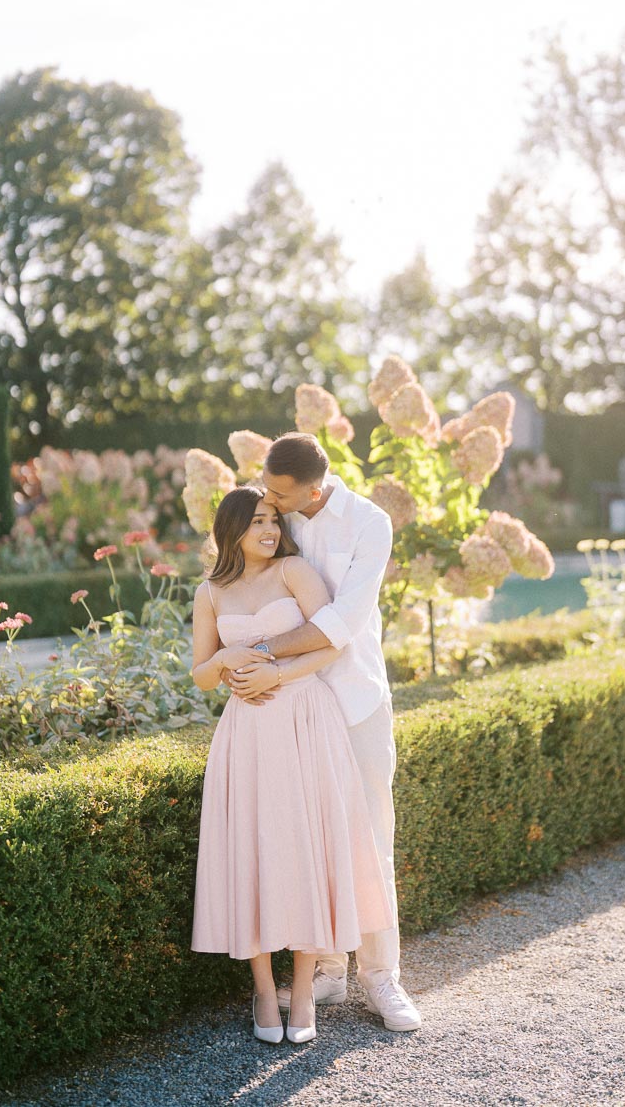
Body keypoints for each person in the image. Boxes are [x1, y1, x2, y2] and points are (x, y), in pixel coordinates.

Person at [219, 431, 422, 1033]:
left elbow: (342, 622)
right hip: (287, 711)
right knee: (307, 841)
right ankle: (329, 969)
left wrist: (256, 651)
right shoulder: (275, 513)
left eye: (279, 494)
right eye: (267, 488)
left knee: (369, 838)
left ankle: (381, 975)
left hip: (352, 700)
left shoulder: (369, 523)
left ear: (316, 487)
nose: (270, 503)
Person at [190, 485, 393, 1045]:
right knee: (251, 848)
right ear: (229, 529)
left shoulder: (295, 572)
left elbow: (332, 643)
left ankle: (304, 988)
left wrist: (277, 673)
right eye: (257, 521)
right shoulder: (209, 592)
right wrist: (228, 659)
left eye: (273, 520)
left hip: (305, 717)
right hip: (246, 732)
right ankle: (262, 986)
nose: (270, 530)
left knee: (308, 846)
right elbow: (202, 674)